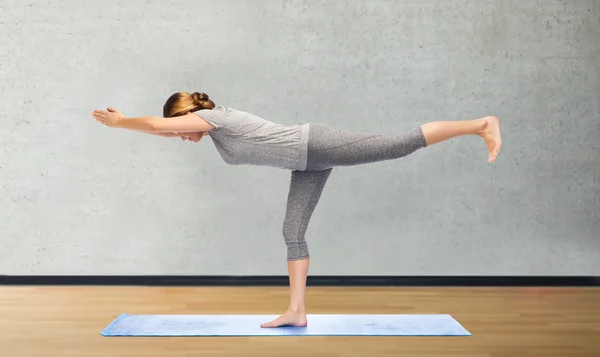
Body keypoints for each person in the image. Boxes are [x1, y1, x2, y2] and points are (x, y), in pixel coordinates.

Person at [92, 91, 502, 328]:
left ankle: (481, 124)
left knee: (398, 145)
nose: (178, 136)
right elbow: (163, 130)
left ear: (188, 116)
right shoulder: (212, 131)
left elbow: (156, 126)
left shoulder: (211, 117)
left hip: (314, 145)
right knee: (292, 232)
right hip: (304, 163)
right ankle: (296, 311)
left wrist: (121, 122)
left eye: (179, 129)